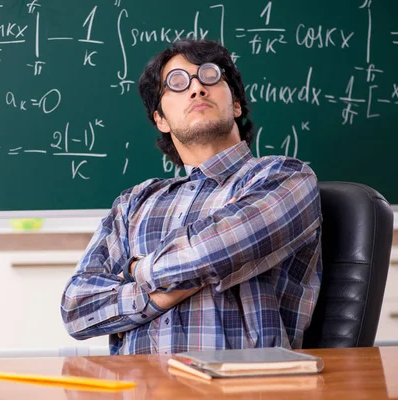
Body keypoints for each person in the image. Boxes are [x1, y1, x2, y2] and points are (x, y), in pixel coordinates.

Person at [60, 39, 322, 355]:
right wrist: (160, 295)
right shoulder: (134, 203)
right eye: (178, 83)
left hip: (241, 388)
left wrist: (137, 271)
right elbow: (77, 308)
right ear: (161, 120)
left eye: (210, 76)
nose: (197, 88)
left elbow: (213, 252)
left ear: (236, 104)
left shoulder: (284, 178)